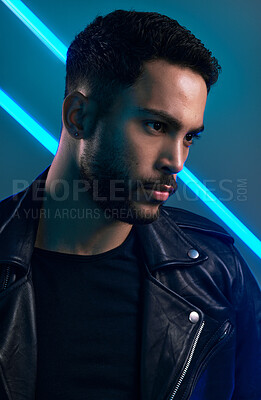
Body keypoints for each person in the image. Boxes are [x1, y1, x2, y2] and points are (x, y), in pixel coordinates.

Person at [0, 9, 260, 400]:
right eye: (157, 126)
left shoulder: (217, 274)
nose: (176, 161)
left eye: (190, 137)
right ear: (79, 117)